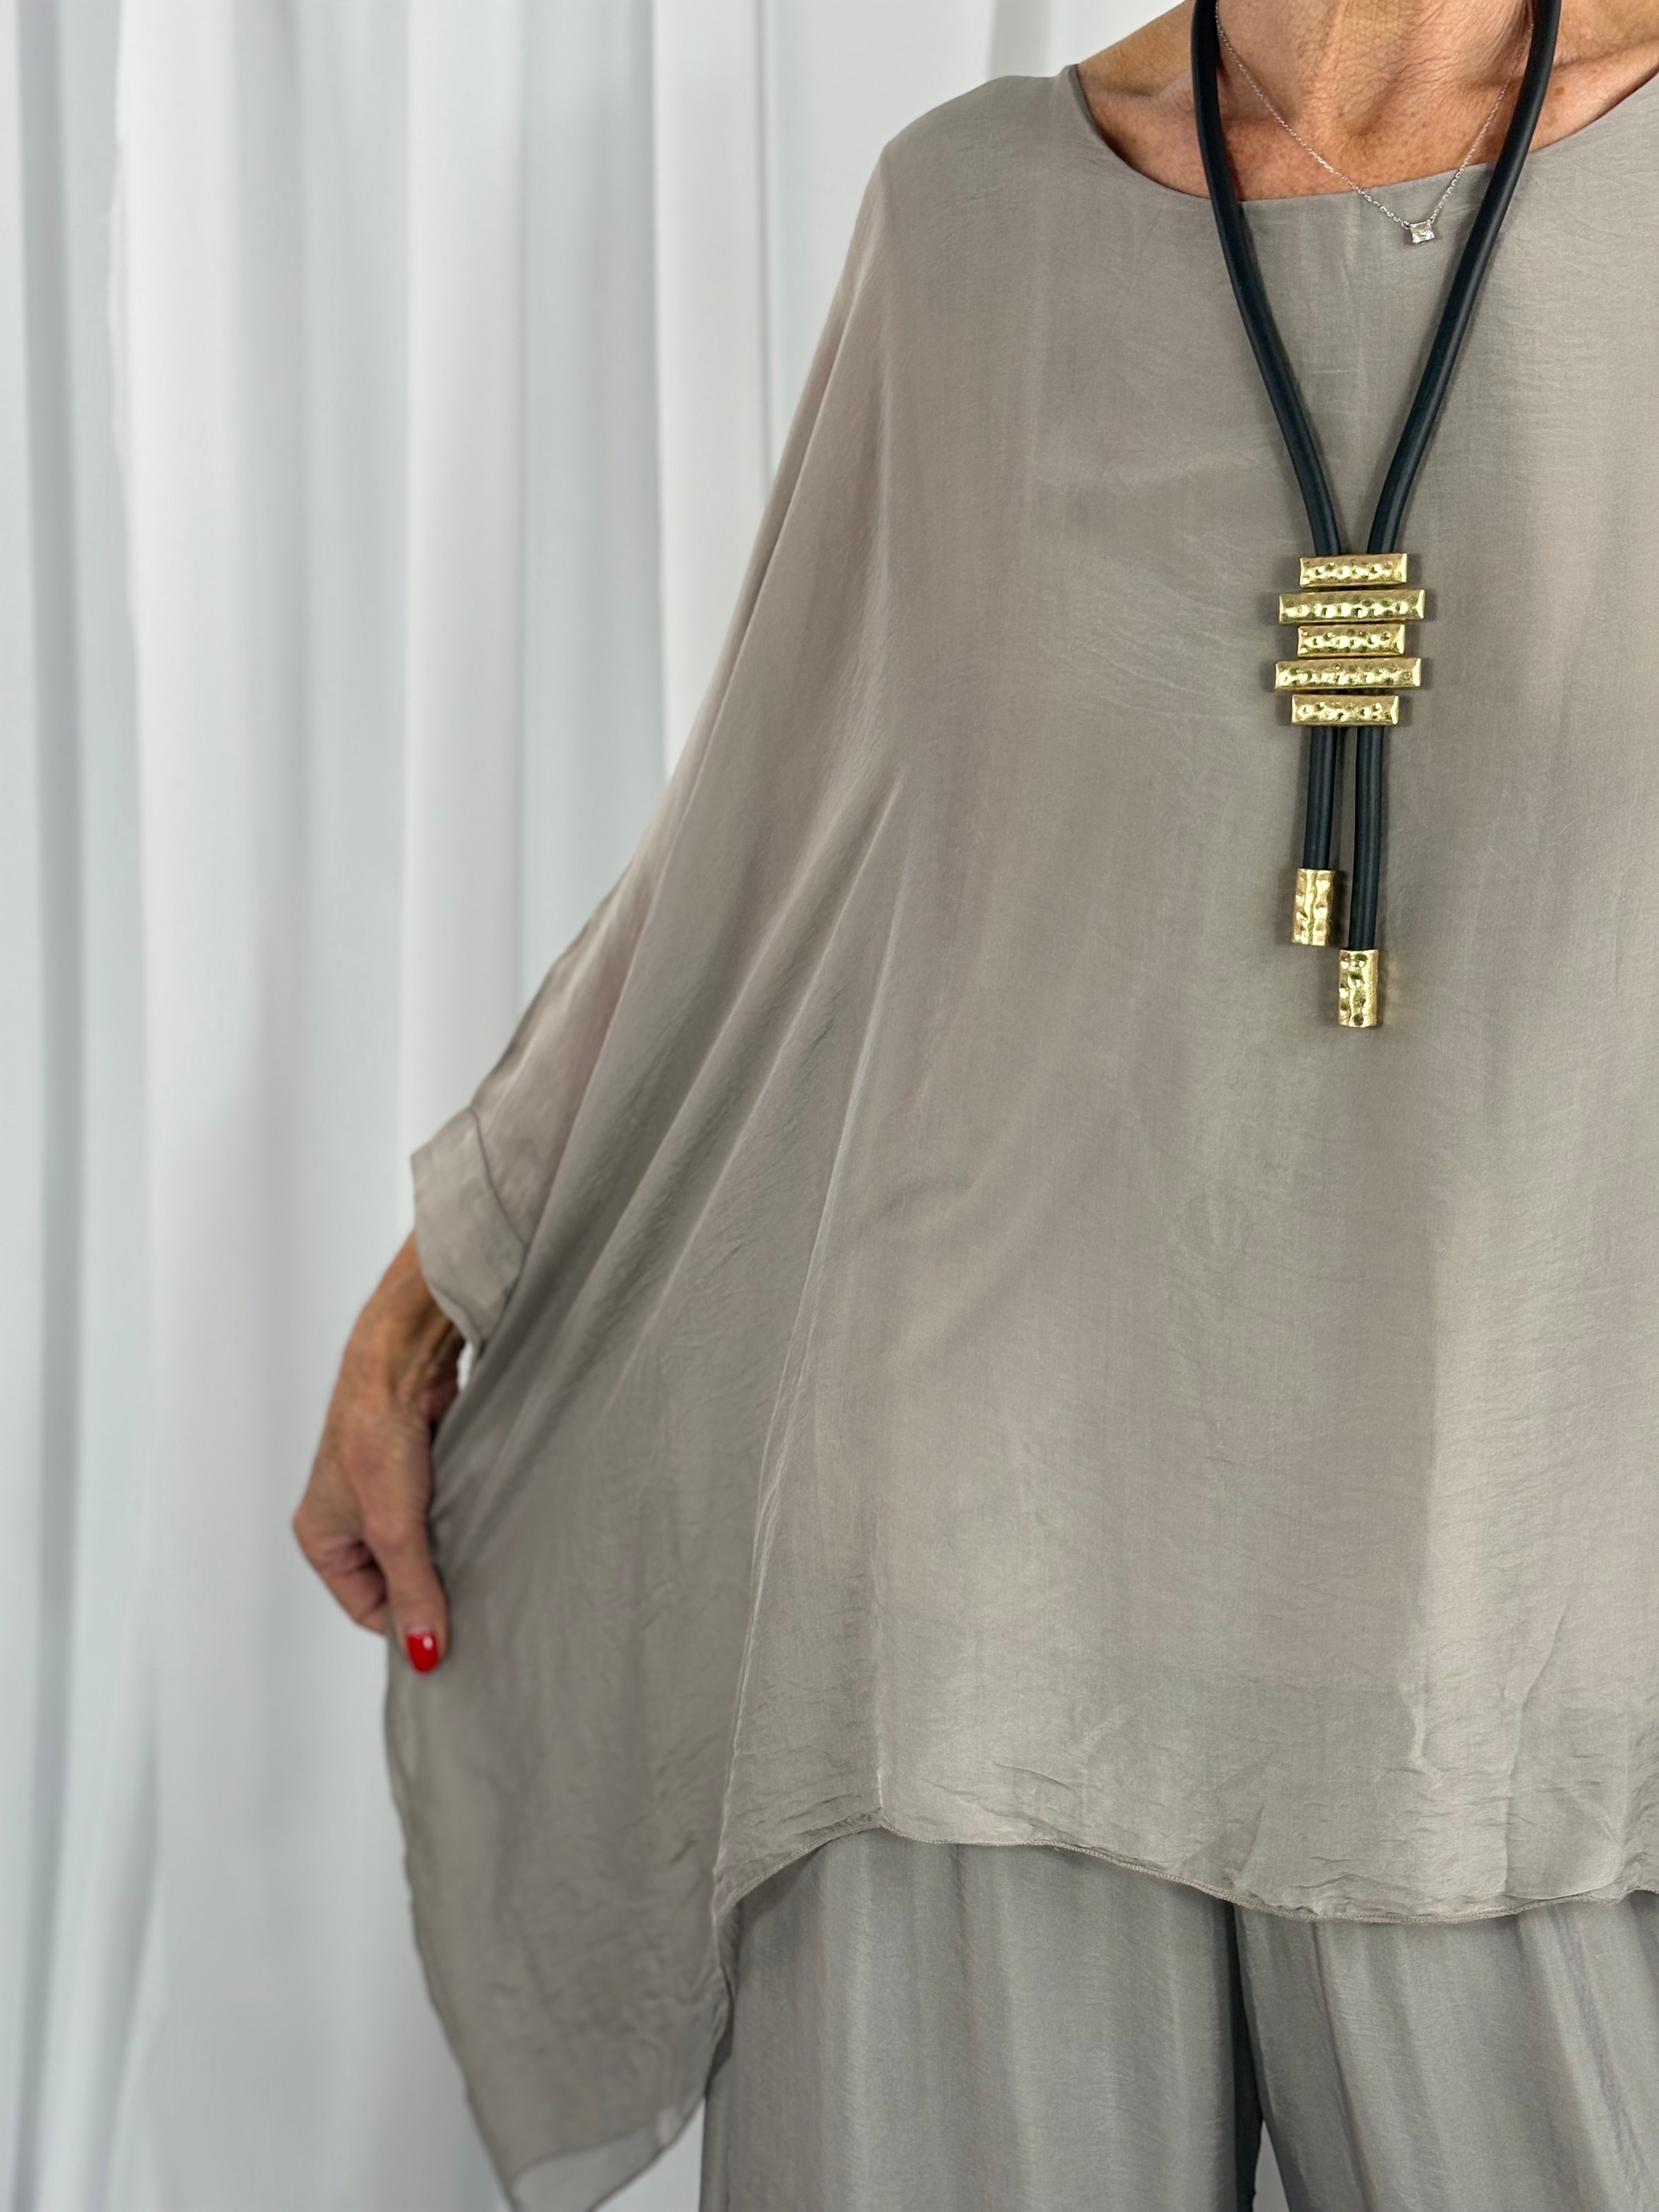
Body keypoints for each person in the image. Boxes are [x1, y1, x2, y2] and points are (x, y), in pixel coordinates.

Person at [296, 4, 1659, 2207]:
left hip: (1518, 1580)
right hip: (975, 1567)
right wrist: (442, 1279)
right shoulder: (973, 213)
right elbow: (772, 830)